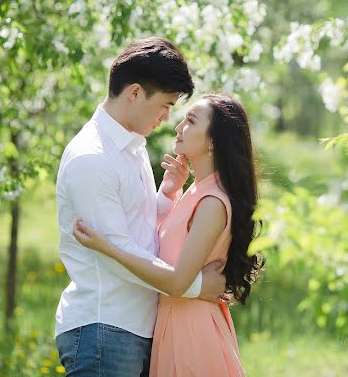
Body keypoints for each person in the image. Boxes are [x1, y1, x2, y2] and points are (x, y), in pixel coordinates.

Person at [55, 37, 227, 377]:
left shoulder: (130, 148)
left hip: (133, 327)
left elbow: (137, 229)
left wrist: (165, 198)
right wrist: (193, 287)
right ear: (134, 93)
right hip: (105, 328)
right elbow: (115, 251)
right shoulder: (93, 157)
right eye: (164, 105)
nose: (166, 119)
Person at [73, 92, 263, 377]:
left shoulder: (212, 201)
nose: (178, 126)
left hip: (191, 333)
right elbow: (162, 247)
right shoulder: (197, 191)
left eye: (191, 121)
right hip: (174, 324)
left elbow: (176, 281)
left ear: (213, 140)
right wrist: (171, 191)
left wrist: (109, 247)